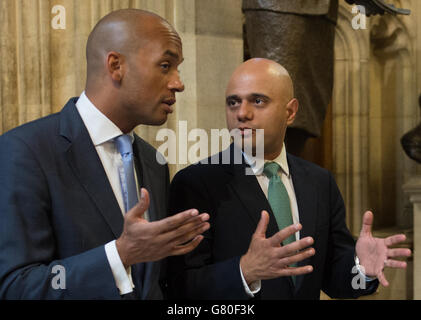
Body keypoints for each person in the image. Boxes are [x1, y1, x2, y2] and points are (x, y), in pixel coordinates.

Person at [0, 9, 210, 299]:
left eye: (178, 68)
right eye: (165, 65)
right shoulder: (25, 151)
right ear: (115, 66)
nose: (178, 83)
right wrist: (118, 256)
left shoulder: (154, 161)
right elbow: (16, 287)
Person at [167, 58, 411, 299]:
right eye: (233, 102)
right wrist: (244, 271)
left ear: (291, 111)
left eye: (258, 100)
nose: (242, 113)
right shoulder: (196, 183)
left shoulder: (319, 181)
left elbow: (336, 279)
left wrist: (362, 269)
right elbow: (179, 287)